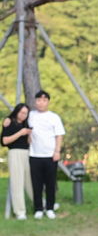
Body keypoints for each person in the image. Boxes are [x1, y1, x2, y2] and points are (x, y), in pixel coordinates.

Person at [28, 90, 65, 220]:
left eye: (44, 100)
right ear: (35, 101)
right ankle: (38, 208)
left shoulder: (54, 117)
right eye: (38, 100)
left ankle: (50, 208)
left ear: (48, 102)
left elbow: (59, 135)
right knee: (36, 183)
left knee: (50, 183)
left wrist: (57, 151)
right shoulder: (31, 115)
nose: (41, 103)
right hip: (34, 154)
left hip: (50, 155)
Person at [1, 103, 33, 219]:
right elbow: (4, 141)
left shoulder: (26, 123)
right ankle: (20, 212)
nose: (24, 115)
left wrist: (29, 135)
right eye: (22, 112)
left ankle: (40, 205)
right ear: (17, 111)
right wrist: (20, 133)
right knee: (17, 183)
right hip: (14, 153)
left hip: (27, 153)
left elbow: (29, 142)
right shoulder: (9, 121)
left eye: (26, 113)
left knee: (32, 181)